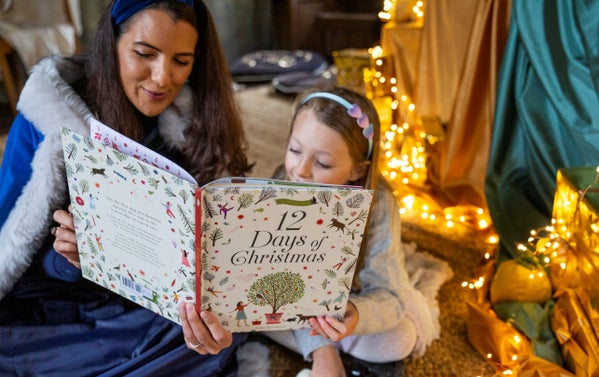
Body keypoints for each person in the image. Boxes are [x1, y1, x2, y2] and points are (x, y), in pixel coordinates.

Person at [0, 0, 251, 375]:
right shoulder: (44, 122)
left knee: (218, 333)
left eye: (181, 61)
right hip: (58, 306)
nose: (162, 77)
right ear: (111, 44)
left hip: (145, 305)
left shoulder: (193, 122)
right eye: (144, 54)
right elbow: (12, 243)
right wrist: (75, 259)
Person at [263, 86, 436, 377]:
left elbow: (391, 298)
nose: (300, 170)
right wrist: (323, 352)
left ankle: (334, 344)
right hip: (294, 304)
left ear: (357, 171)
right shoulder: (283, 183)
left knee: (398, 339)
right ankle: (328, 350)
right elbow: (276, 279)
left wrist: (356, 314)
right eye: (294, 149)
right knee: (232, 314)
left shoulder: (380, 206)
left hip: (344, 306)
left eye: (322, 163)